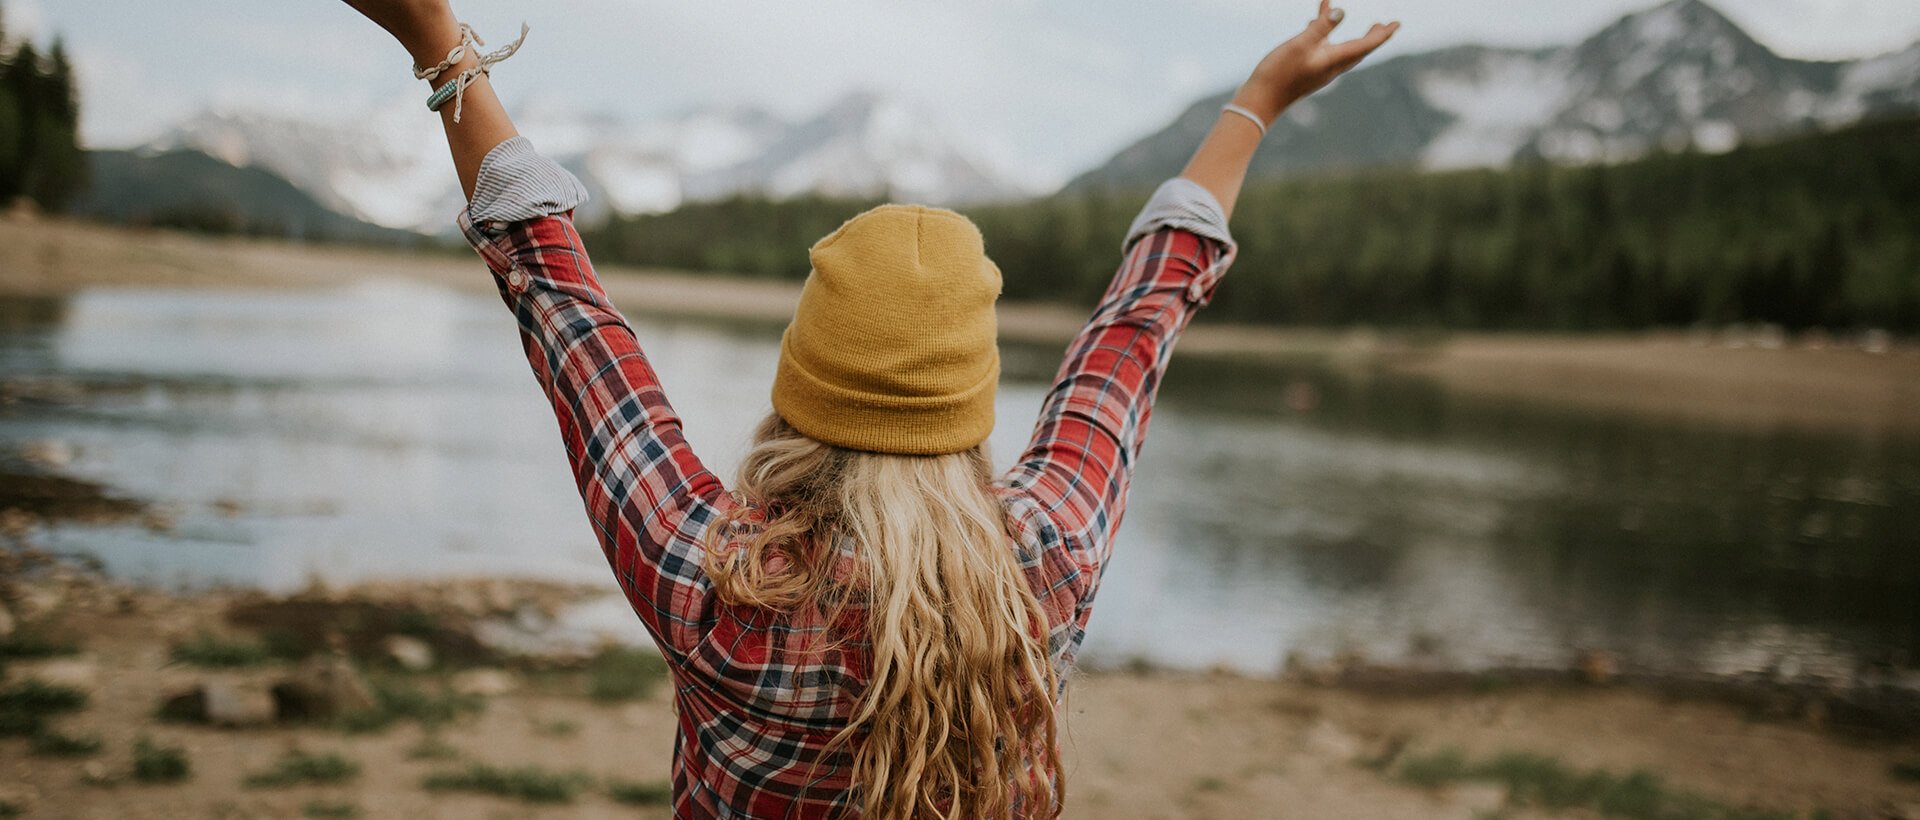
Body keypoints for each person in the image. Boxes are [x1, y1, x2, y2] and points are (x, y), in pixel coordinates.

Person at [339, 1, 1396, 816]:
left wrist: (441, 43)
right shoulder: (1048, 563)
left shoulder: (709, 580)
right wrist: (1254, 102)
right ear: (967, 406)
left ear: (800, 382)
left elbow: (562, 301)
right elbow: (1136, 324)